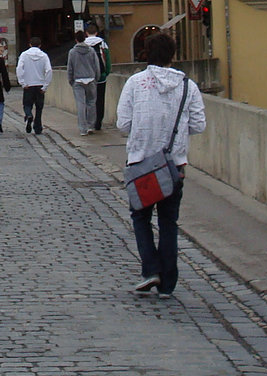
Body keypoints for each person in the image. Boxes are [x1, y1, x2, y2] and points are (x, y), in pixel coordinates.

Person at [117, 30, 205, 296]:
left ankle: (151, 270)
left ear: (146, 53)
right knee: (168, 222)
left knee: (141, 217)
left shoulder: (135, 83)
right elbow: (199, 124)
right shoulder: (188, 86)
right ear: (172, 55)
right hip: (173, 166)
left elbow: (123, 125)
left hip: (141, 163)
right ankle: (168, 282)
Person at [67, 30, 101, 135]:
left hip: (78, 80)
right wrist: (96, 78)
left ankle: (83, 129)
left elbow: (70, 68)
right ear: (85, 38)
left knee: (80, 104)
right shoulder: (91, 51)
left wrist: (71, 80)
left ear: (76, 39)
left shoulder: (72, 52)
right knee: (91, 103)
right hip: (91, 79)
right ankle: (91, 126)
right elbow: (97, 66)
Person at [16, 38, 52, 134]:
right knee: (39, 107)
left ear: (30, 44)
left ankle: (28, 114)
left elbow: (19, 68)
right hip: (40, 84)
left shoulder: (24, 55)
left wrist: (22, 82)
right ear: (40, 45)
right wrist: (45, 85)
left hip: (28, 84)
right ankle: (38, 127)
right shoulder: (44, 56)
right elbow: (48, 70)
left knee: (27, 104)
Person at [85, 22, 111, 132]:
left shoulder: (83, 44)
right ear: (96, 32)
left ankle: (89, 122)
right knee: (100, 99)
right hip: (101, 76)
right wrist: (106, 72)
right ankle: (98, 122)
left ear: (86, 33)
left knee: (88, 100)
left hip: (87, 77)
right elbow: (107, 60)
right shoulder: (102, 44)